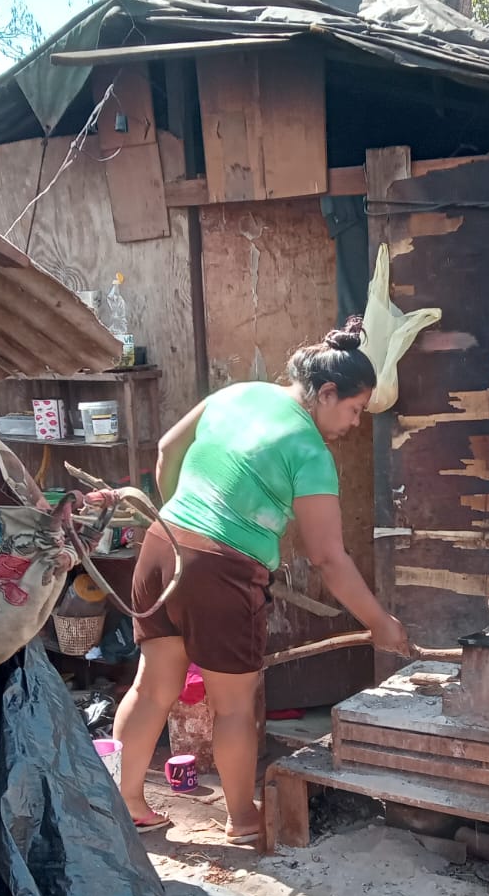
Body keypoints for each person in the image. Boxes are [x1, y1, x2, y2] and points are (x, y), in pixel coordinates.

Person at [113, 318, 411, 843]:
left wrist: (181, 519)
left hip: (162, 546)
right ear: (326, 393)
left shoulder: (238, 394)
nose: (354, 423)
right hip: (221, 572)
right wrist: (380, 624)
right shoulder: (311, 452)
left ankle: (127, 802)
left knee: (151, 688)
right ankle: (242, 820)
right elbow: (328, 558)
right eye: (354, 409)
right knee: (234, 706)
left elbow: (165, 450)